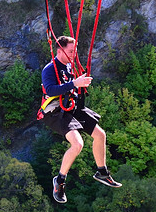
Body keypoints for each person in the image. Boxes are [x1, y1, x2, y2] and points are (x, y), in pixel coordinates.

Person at [39, 35, 121, 203]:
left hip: (70, 106)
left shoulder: (69, 65)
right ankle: (59, 181)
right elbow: (50, 89)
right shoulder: (50, 69)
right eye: (71, 51)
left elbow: (71, 85)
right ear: (60, 50)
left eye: (75, 50)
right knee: (77, 145)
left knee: (100, 135)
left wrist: (80, 85)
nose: (74, 54)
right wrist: (75, 84)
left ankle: (102, 172)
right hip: (55, 111)